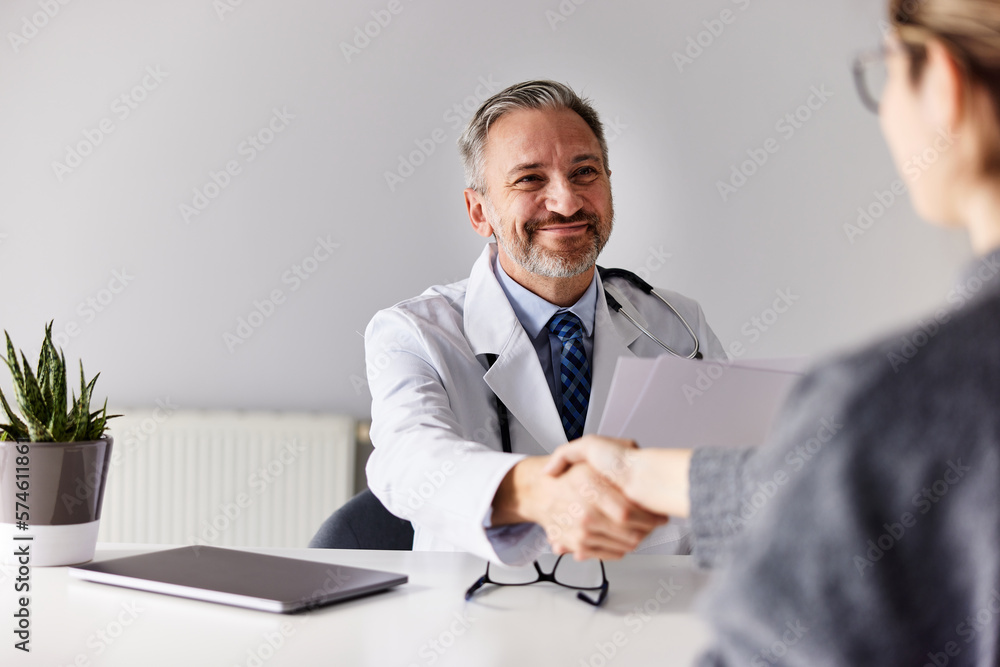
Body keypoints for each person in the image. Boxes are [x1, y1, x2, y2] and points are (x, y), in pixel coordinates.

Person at [544, 0, 1000, 661]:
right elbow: (871, 486)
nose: (563, 200)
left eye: (888, 72)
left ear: (945, 86)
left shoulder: (893, 400)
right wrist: (644, 474)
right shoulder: (900, 420)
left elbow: (868, 483)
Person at [364, 80, 726, 565]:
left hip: (648, 615)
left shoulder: (678, 325)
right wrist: (545, 493)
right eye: (530, 179)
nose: (567, 201)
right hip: (482, 619)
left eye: (584, 172)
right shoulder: (414, 333)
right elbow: (406, 460)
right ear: (479, 212)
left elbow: (730, 483)